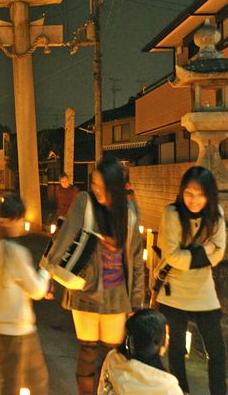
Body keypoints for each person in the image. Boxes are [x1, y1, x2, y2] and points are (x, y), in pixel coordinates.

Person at [42, 156, 144, 395]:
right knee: (87, 352)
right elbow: (64, 235)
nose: (96, 190)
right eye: (94, 184)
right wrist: (47, 271)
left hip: (117, 293)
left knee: (112, 356)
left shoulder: (129, 212)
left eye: (102, 185)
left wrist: (137, 300)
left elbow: (136, 258)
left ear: (116, 186)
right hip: (84, 289)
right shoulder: (85, 202)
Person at [156, 166, 227, 395]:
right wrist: (204, 252)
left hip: (204, 292)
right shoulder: (172, 213)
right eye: (189, 193)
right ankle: (181, 392)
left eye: (200, 194)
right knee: (176, 351)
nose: (194, 200)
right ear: (181, 192)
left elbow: (219, 254)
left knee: (217, 352)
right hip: (174, 291)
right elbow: (171, 256)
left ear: (209, 194)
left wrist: (195, 257)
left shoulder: (216, 214)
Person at [0, 194, 50, 394]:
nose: (22, 223)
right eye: (20, 219)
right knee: (33, 381)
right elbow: (36, 290)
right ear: (10, 220)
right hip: (18, 328)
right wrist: (46, 273)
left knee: (13, 379)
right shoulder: (16, 253)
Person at [98, 309, 182, 394]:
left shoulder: (112, 359)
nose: (168, 339)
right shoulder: (168, 389)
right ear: (158, 343)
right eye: (166, 335)